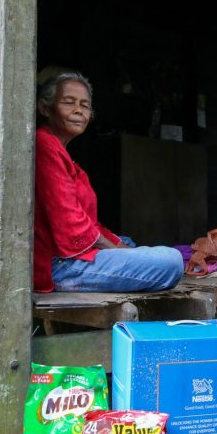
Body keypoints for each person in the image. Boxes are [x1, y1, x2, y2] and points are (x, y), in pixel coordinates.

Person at [33, 71, 184, 293]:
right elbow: (71, 225)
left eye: (85, 105)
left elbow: (90, 224)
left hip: (71, 256)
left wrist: (122, 248)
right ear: (45, 108)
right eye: (68, 102)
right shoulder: (44, 144)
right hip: (59, 265)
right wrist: (119, 252)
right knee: (172, 261)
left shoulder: (65, 157)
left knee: (128, 241)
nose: (78, 110)